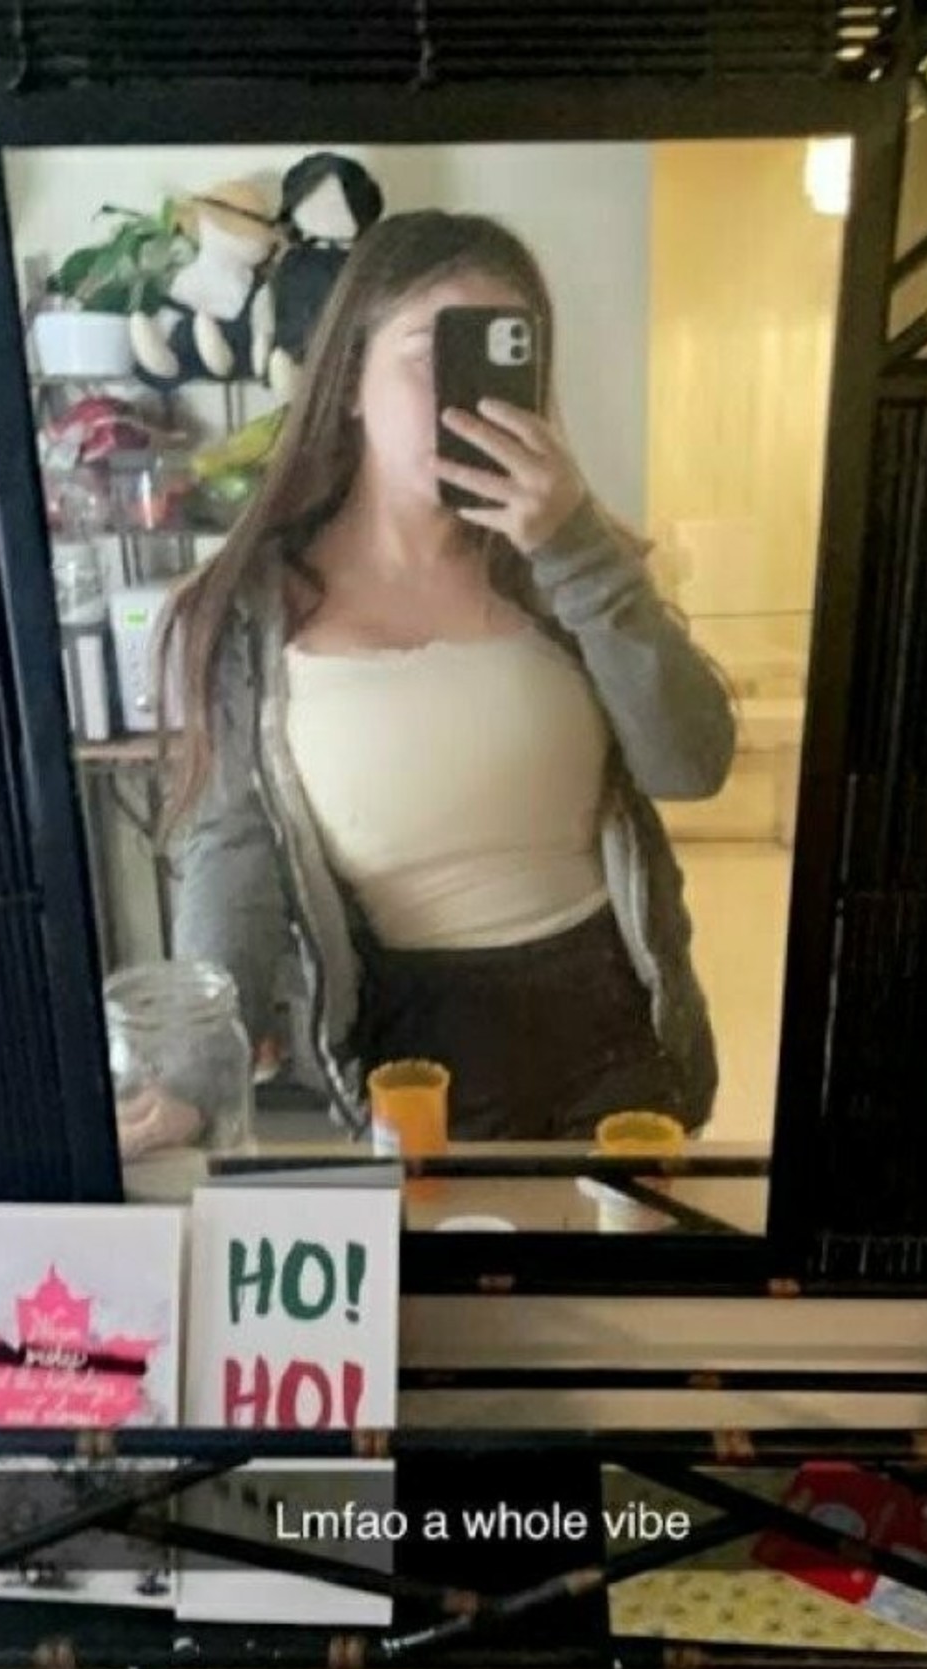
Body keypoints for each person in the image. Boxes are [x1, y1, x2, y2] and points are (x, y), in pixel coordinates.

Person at [128, 209, 735, 1156]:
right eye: (431, 355)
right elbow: (231, 856)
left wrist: (579, 553)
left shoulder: (570, 567)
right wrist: (194, 1077)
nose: (468, 400)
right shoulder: (246, 609)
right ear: (350, 379)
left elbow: (690, 766)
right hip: (413, 1056)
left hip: (618, 1028)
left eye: (499, 359)